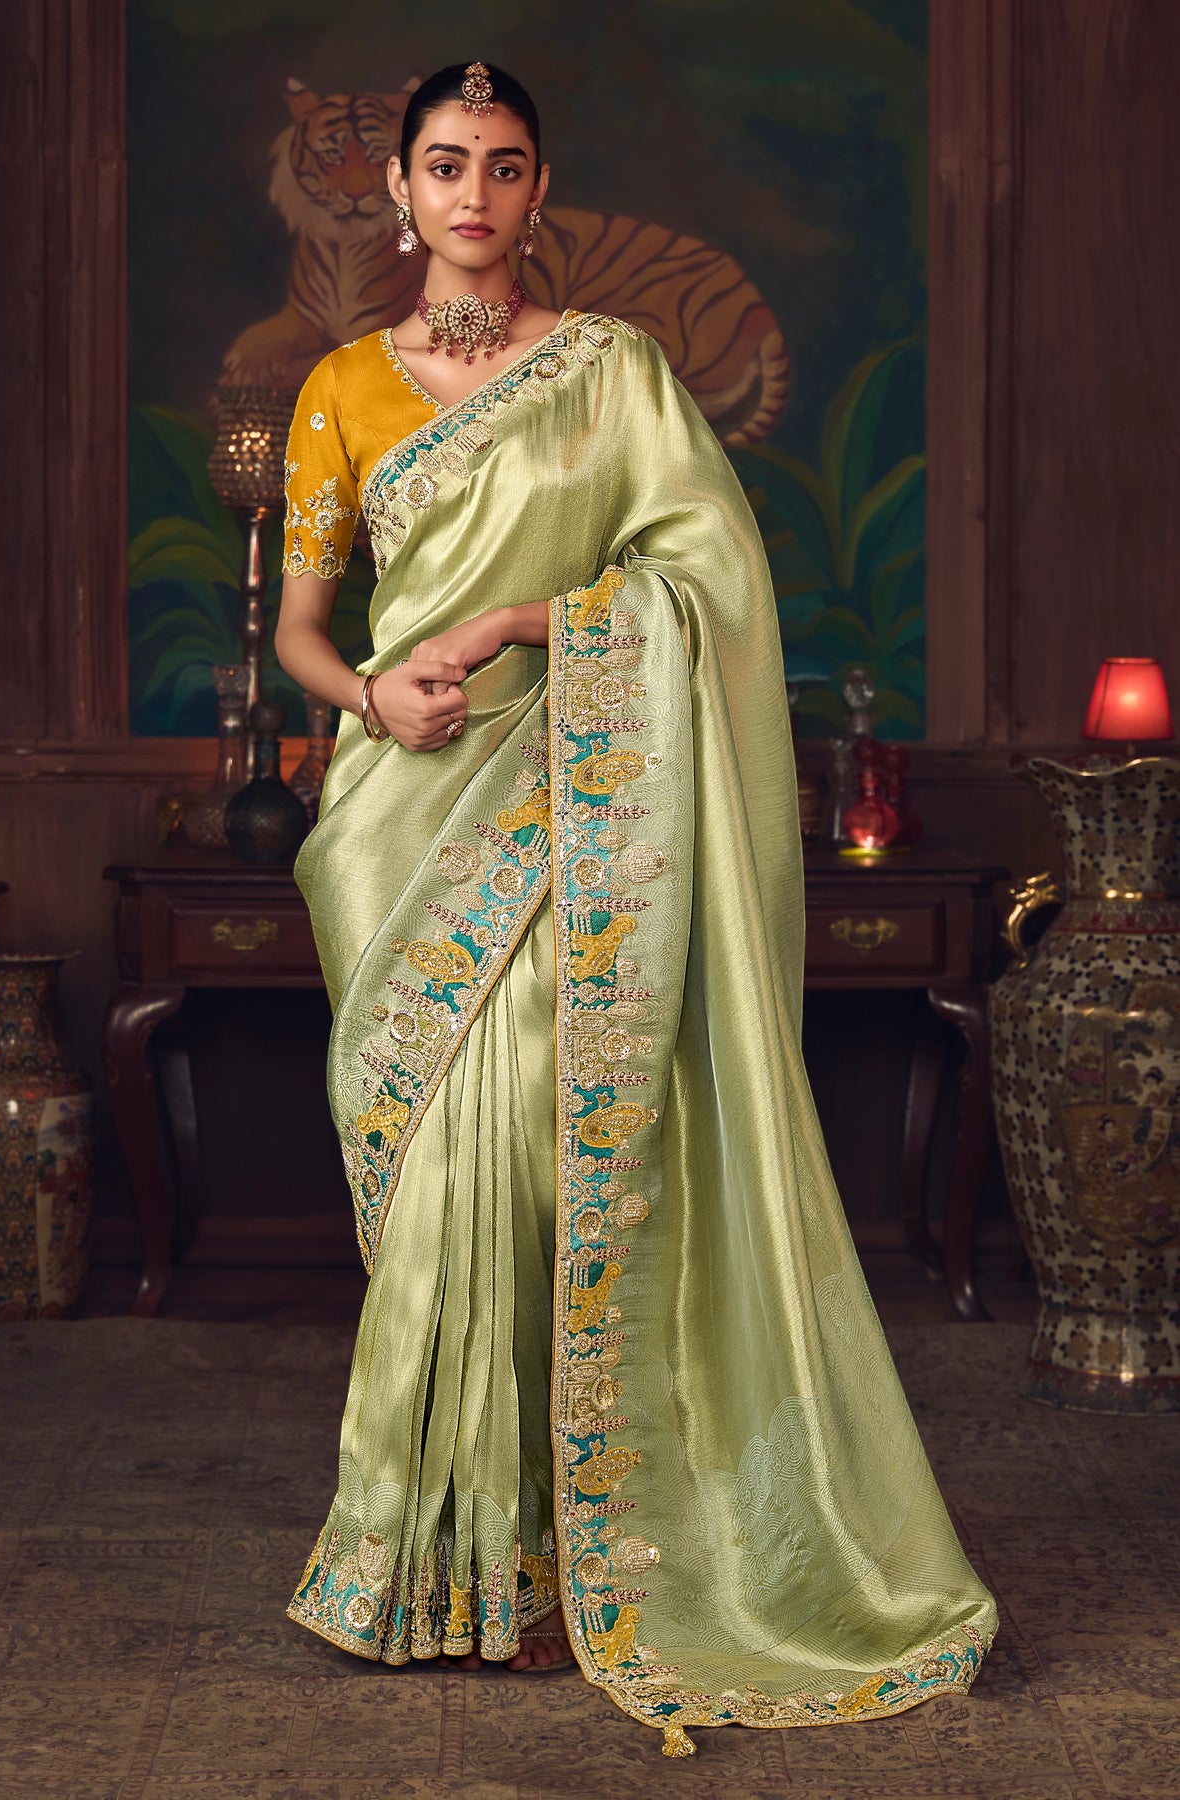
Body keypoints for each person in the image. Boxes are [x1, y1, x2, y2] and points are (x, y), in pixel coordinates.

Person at [274, 60, 996, 1759]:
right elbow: (303, 628)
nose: (471, 193)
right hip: (400, 809)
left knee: (546, 1155)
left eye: (502, 165)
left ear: (538, 190)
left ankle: (555, 1561)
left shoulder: (616, 375)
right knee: (434, 1180)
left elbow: (706, 587)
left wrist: (516, 624)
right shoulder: (340, 388)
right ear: (398, 189)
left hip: (580, 799)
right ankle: (423, 1561)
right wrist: (370, 696)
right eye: (443, 163)